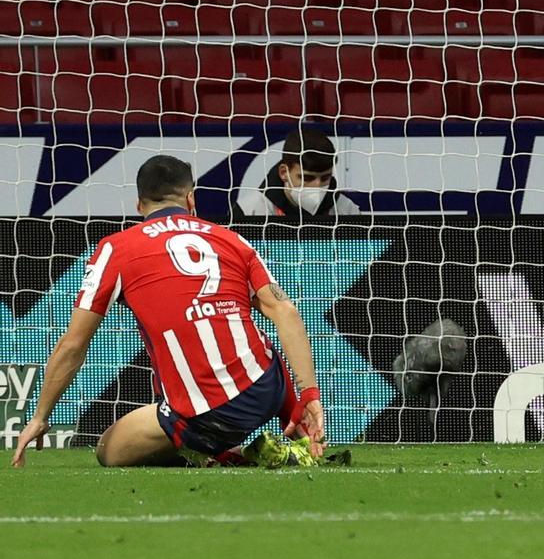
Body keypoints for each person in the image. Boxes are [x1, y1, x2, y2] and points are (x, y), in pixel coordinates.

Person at [11, 155, 328, 469]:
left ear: (139, 206)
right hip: (269, 389)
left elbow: (74, 344)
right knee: (250, 338)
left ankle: (226, 454)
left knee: (109, 450)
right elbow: (286, 312)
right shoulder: (232, 239)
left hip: (212, 414)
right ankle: (298, 435)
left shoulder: (116, 249)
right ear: (191, 198)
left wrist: (40, 417)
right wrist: (308, 394)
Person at [234, 127, 362, 220]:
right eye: (307, 178)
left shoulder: (347, 211)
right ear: (284, 173)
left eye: (325, 178)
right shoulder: (248, 211)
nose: (317, 185)